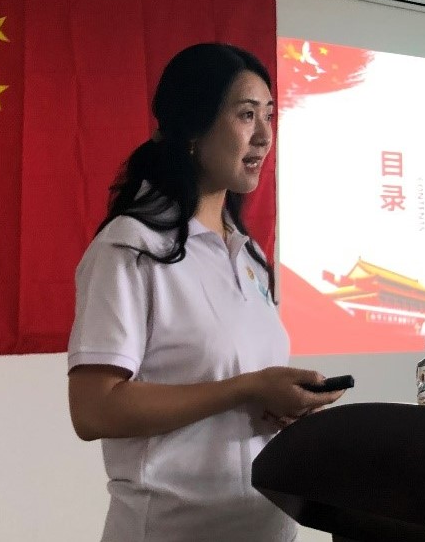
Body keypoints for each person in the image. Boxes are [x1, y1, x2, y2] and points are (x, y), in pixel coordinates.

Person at [66, 42, 345, 542]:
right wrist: (246, 388)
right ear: (194, 129)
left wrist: (278, 404)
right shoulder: (131, 247)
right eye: (246, 115)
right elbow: (93, 409)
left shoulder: (248, 255)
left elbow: (235, 393)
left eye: (270, 116)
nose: (264, 136)